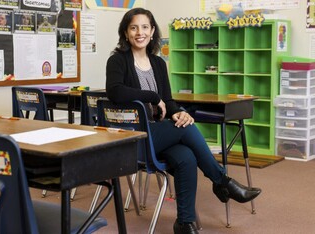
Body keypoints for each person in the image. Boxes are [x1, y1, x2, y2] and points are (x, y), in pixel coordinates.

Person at [105, 8, 262, 234]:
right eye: (133, 27)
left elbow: (168, 102)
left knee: (186, 157)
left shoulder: (158, 64)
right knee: (186, 130)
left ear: (152, 31)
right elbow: (115, 92)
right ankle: (221, 181)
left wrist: (178, 112)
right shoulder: (118, 60)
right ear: (126, 32)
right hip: (132, 138)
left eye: (145, 27)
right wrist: (153, 97)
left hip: (156, 134)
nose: (140, 32)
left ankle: (185, 224)